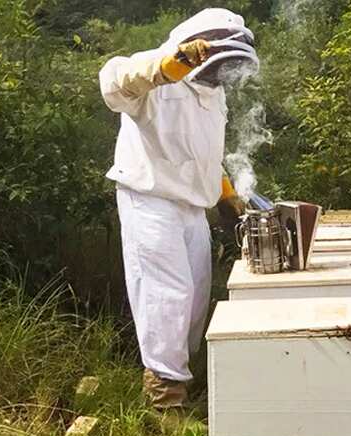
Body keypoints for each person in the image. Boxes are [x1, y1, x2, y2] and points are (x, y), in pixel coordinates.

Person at [98, 9, 257, 412]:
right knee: (167, 296)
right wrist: (163, 69)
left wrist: (225, 193)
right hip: (150, 201)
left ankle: (183, 379)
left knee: (197, 295)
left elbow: (201, 154)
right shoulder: (154, 78)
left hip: (191, 207)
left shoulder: (212, 95)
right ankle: (164, 398)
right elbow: (112, 82)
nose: (219, 75)